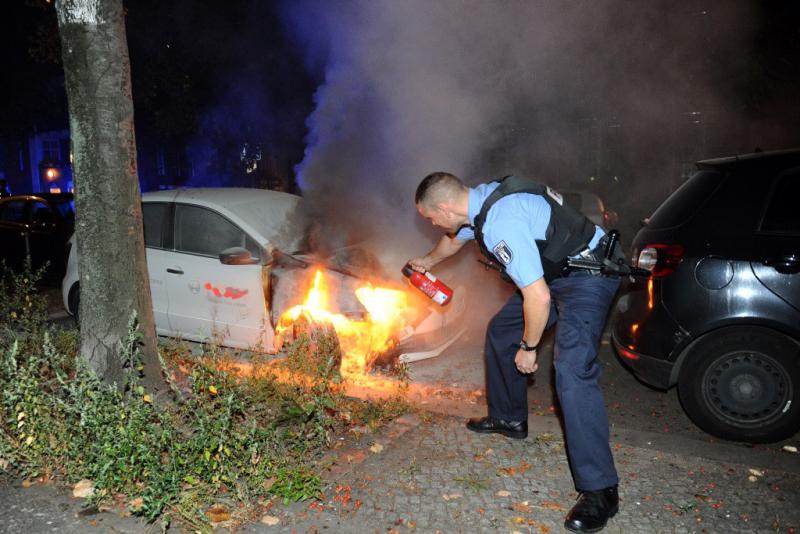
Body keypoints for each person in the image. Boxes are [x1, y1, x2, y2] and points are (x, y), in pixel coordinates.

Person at [409, 172, 621, 533]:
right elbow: (452, 241)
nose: (431, 223)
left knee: (571, 370)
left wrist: (529, 347)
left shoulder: (499, 222)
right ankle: (509, 418)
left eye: (430, 217)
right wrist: (428, 262)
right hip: (557, 272)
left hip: (589, 275)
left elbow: (536, 297)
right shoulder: (477, 204)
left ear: (444, 208)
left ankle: (601, 491)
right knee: (500, 330)